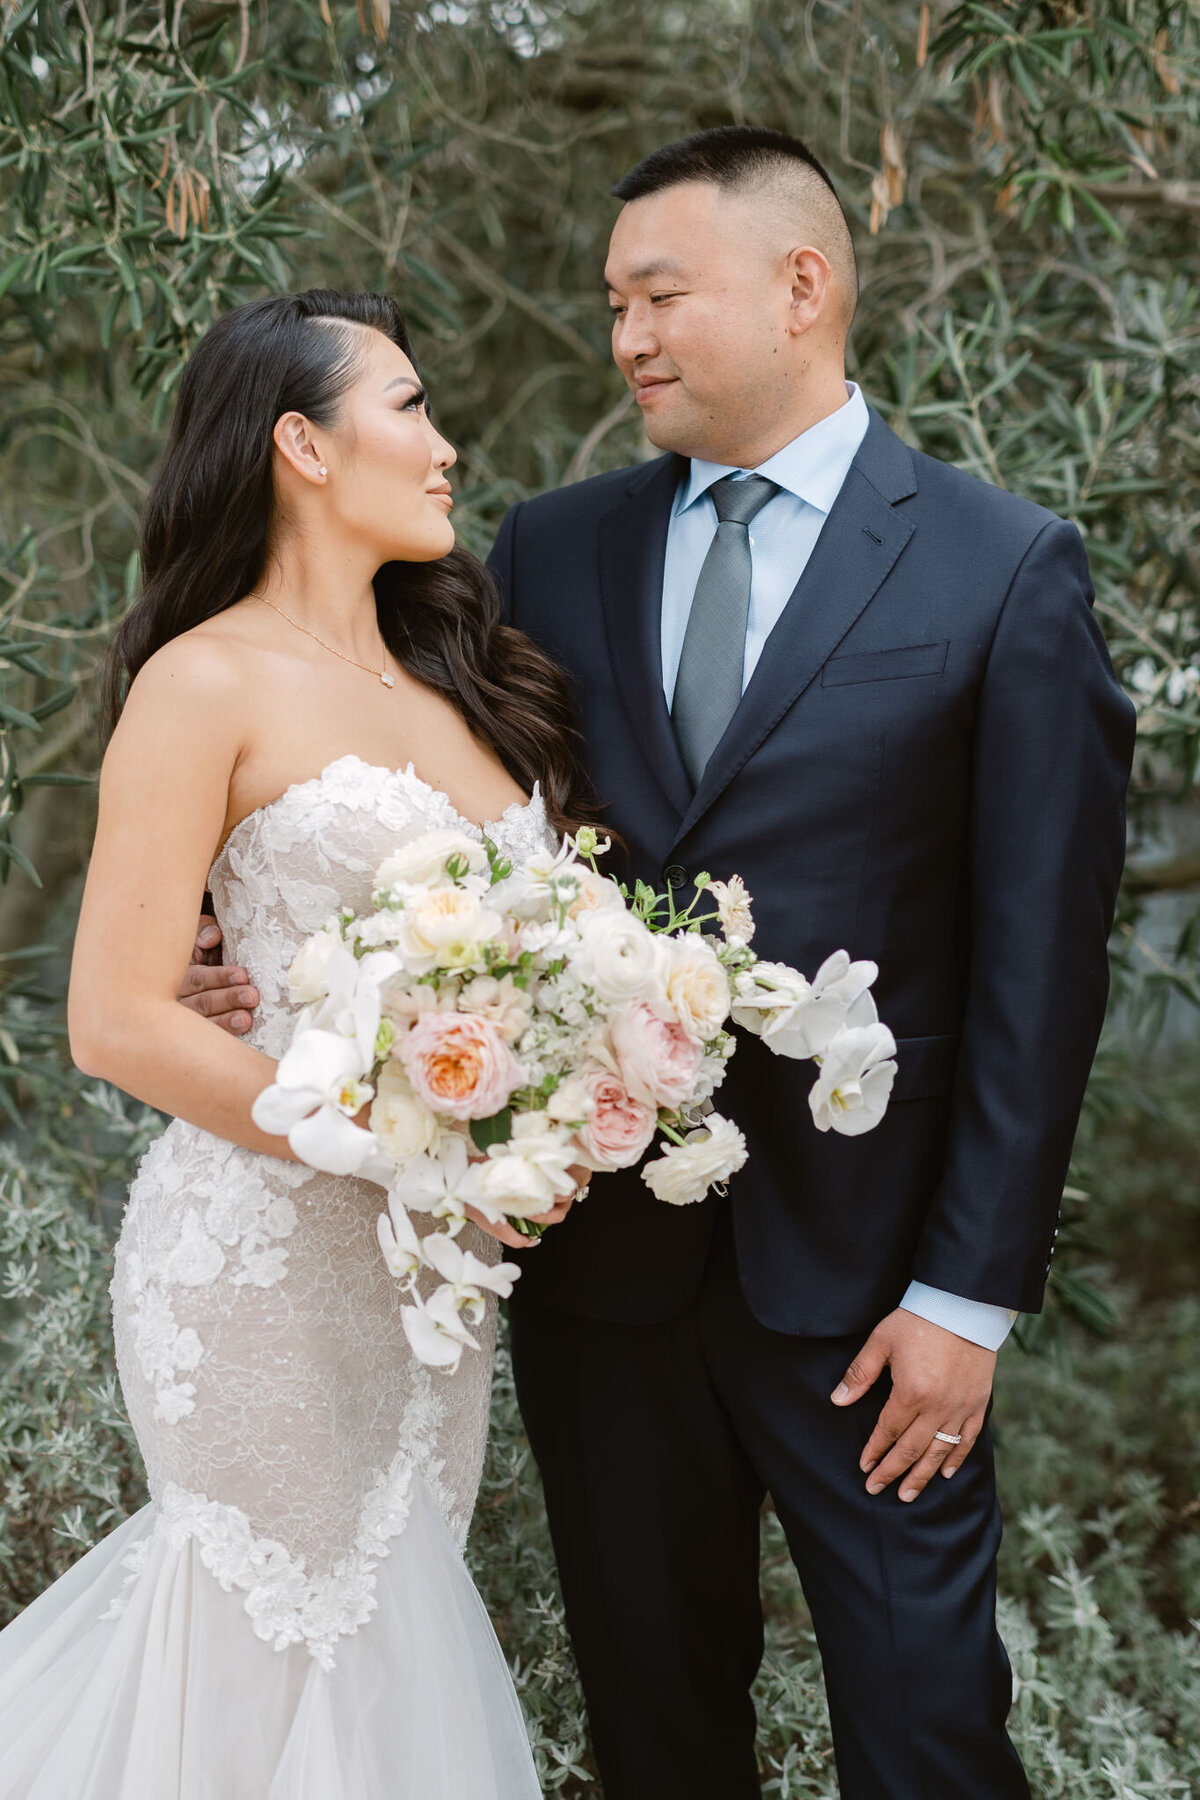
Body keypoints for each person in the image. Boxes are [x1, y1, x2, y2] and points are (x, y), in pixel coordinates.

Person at [178, 131, 1135, 1797]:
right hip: (596, 1274)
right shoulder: (555, 547)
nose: (625, 336)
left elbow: (1039, 973)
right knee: (658, 1738)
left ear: (801, 286)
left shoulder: (1003, 568)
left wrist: (967, 1302)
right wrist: (220, 920)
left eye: (658, 296)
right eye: (613, 302)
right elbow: (374, 766)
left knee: (931, 1739)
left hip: (874, 1306)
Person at [0, 288, 587, 1798]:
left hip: (429, 1295)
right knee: (276, 1649)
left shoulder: (470, 690)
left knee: (390, 1663)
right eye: (409, 405)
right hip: (257, 1264)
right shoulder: (203, 681)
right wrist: (395, 1145)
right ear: (301, 445)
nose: (448, 447)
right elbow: (117, 1016)